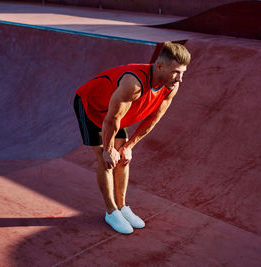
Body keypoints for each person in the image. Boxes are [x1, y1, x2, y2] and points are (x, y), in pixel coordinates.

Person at [74, 41, 191, 234]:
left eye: (183, 73)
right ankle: (111, 212)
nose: (180, 79)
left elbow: (153, 119)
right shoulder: (133, 83)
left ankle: (122, 207)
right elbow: (111, 120)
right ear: (160, 66)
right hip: (92, 108)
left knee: (124, 159)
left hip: (116, 115)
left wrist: (129, 145)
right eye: (176, 72)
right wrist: (109, 150)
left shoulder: (170, 86)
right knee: (107, 160)